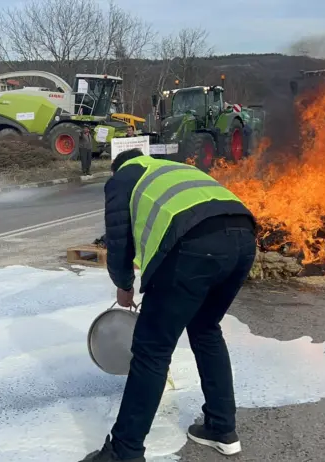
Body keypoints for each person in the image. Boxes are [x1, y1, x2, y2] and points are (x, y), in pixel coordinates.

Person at [81, 148, 257, 462]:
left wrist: (124, 285)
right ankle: (221, 427)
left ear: (117, 168)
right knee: (206, 330)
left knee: (152, 349)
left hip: (193, 246)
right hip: (243, 238)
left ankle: (125, 451)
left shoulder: (122, 179)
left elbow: (119, 239)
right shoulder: (171, 168)